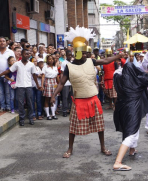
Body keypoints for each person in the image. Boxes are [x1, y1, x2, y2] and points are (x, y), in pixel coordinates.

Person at [50, 26, 123, 158]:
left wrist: (118, 56)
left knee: (100, 126)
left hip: (93, 99)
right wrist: (54, 95)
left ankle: (103, 147)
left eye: (86, 53)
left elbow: (105, 60)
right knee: (73, 128)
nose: (86, 55)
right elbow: (61, 83)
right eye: (83, 53)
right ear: (77, 53)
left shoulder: (91, 61)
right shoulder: (69, 66)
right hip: (78, 101)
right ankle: (70, 149)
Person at [112, 62, 148, 171]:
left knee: (129, 129)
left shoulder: (118, 79)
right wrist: (138, 71)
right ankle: (117, 162)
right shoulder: (137, 81)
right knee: (131, 133)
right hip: (132, 109)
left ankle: (132, 150)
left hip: (122, 109)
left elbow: (116, 72)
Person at [0, 49, 42, 126]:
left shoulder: (31, 64)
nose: (27, 55)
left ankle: (31, 118)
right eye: (25, 54)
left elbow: (34, 76)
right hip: (20, 86)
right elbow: (8, 71)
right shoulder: (17, 64)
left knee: (30, 103)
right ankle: (21, 119)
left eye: (28, 54)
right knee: (21, 103)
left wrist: (38, 85)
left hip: (29, 86)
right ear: (22, 55)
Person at [0, 37, 15, 112]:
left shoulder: (10, 52)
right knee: (0, 92)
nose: (2, 42)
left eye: (3, 41)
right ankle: (2, 106)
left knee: (7, 92)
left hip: (7, 76)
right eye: (0, 41)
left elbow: (13, 63)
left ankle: (8, 106)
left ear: (6, 42)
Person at [42, 55, 59, 120]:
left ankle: (53, 114)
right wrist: (42, 85)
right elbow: (43, 76)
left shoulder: (55, 67)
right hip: (48, 82)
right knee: (47, 99)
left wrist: (59, 84)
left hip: (54, 83)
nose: (51, 60)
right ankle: (48, 115)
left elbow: (57, 76)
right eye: (49, 59)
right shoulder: (45, 67)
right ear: (47, 60)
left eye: (52, 59)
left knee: (53, 98)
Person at [60, 50, 73, 117]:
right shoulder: (64, 63)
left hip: (72, 82)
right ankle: (64, 110)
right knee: (65, 97)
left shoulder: (73, 62)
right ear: (66, 55)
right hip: (66, 82)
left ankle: (71, 109)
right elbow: (62, 73)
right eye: (68, 55)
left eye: (71, 55)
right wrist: (62, 82)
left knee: (72, 97)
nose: (70, 56)